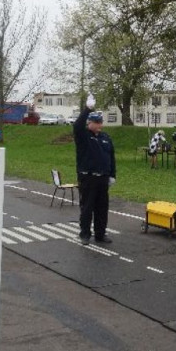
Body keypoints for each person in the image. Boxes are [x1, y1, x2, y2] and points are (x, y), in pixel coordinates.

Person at [73, 95, 116, 246]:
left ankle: (100, 233)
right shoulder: (83, 136)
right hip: (88, 177)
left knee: (102, 208)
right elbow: (77, 126)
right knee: (87, 208)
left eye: (100, 122)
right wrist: (87, 109)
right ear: (89, 123)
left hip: (103, 178)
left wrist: (112, 175)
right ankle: (85, 234)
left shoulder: (105, 137)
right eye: (96, 122)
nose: (99, 125)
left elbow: (111, 157)